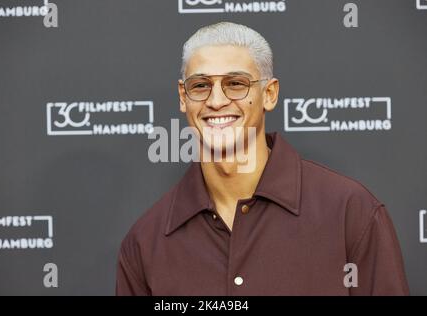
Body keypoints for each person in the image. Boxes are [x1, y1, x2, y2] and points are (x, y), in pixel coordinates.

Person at [116, 22, 409, 295]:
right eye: (201, 86)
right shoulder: (145, 243)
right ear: (183, 97)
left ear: (269, 93)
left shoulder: (351, 213)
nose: (216, 101)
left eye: (236, 83)